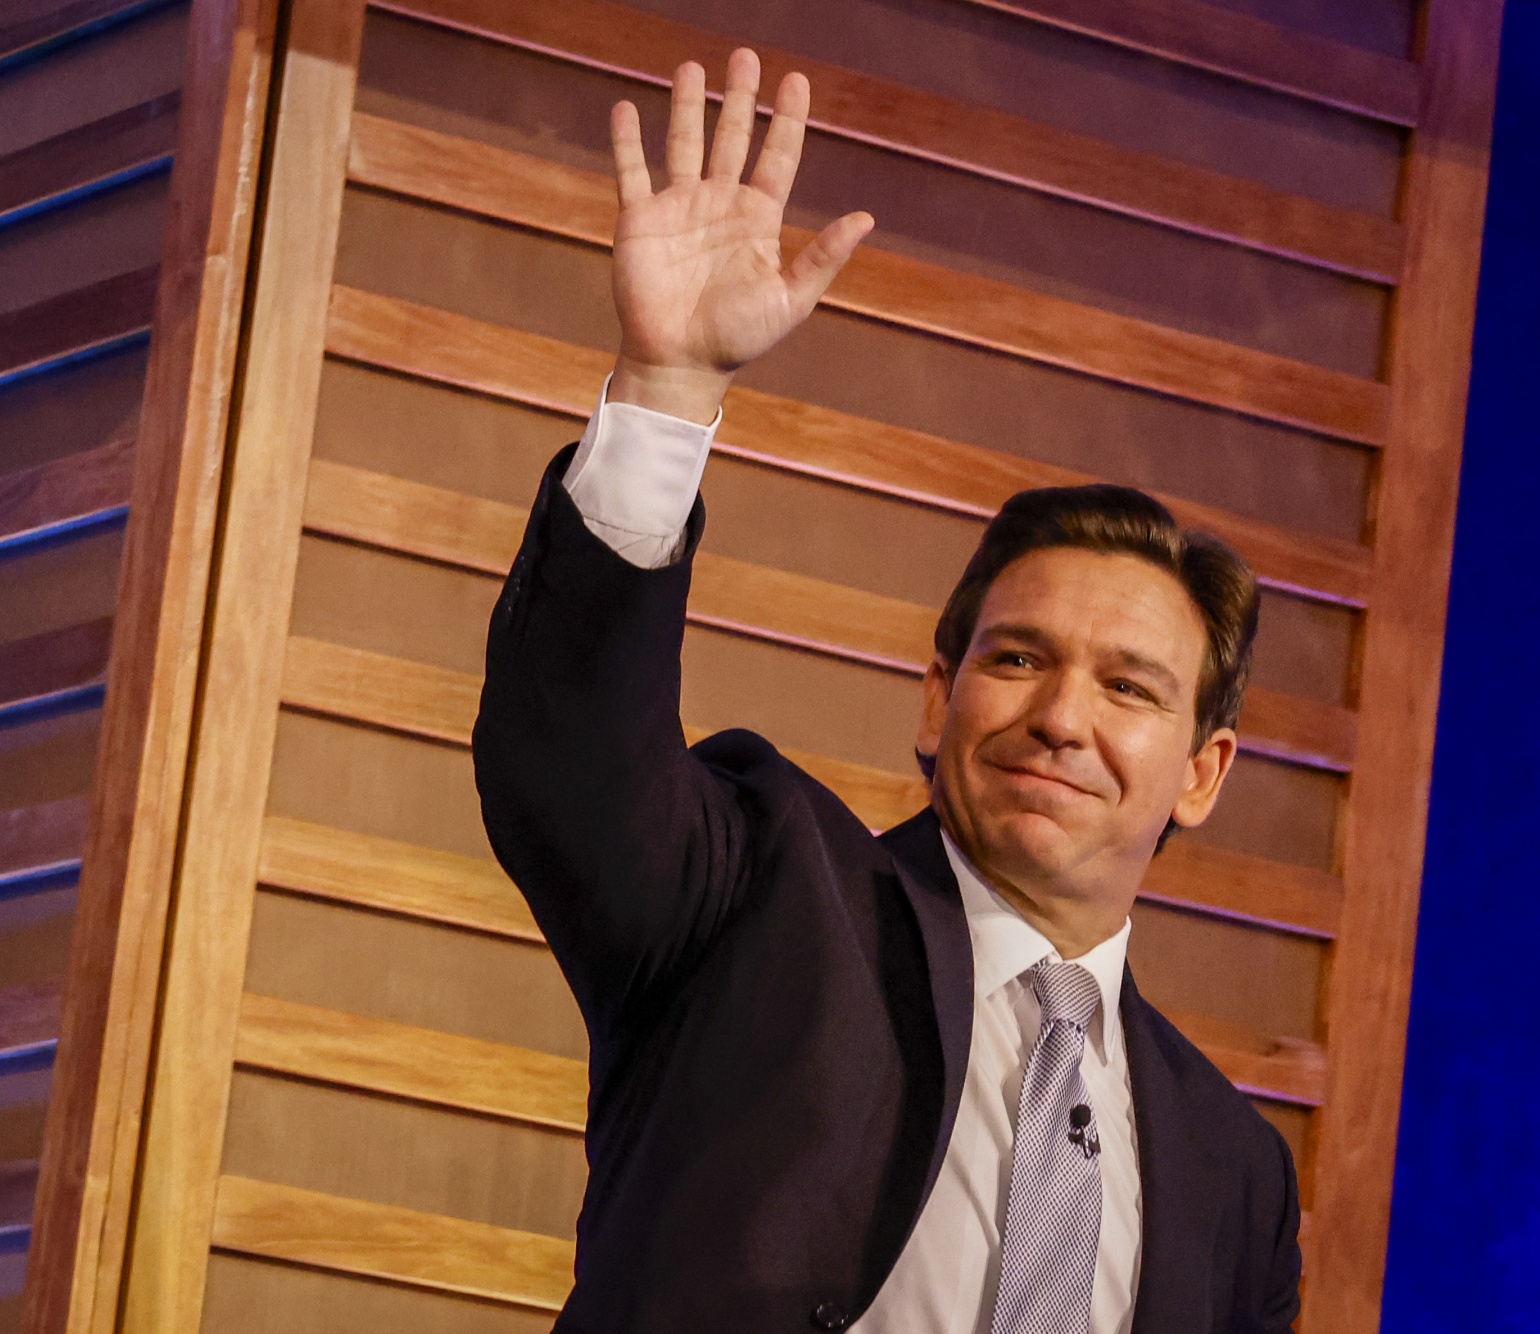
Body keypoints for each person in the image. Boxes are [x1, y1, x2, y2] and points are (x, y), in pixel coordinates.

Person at [473, 47, 1302, 1334]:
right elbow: (569, 762)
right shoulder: (759, 894)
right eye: (1015, 658)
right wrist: (669, 389)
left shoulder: (1235, 1176)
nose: (1059, 718)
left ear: (1202, 770)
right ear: (935, 699)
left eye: (1128, 687)